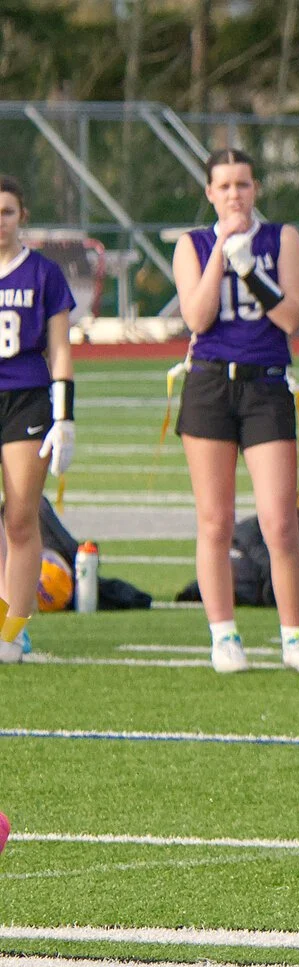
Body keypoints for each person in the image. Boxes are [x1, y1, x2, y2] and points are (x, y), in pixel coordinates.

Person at [171, 148, 299, 676]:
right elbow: (197, 315)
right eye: (224, 186)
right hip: (211, 384)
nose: (235, 194)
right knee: (214, 520)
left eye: (243, 184)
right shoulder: (192, 244)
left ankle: (295, 636)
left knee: (280, 521)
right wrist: (222, 250)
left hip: (265, 386)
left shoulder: (281, 238)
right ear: (210, 193)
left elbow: (290, 318)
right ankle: (224, 635)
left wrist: (250, 270)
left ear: (255, 188)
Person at [0, 174, 74, 665]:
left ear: (22, 216)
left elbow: (61, 349)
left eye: (7, 211)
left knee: (22, 518)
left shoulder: (44, 273)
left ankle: (12, 630)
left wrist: (64, 416)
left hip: (25, 398)